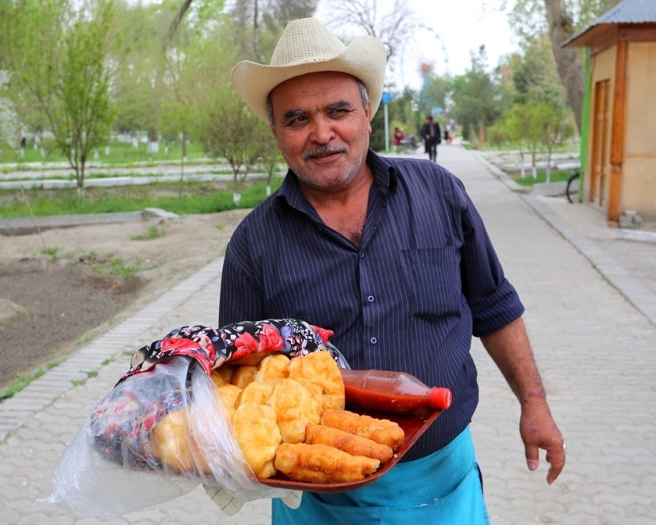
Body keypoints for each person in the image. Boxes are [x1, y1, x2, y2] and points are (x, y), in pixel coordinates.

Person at [224, 17, 565, 524]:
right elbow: (237, 375)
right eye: (297, 119)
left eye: (338, 110)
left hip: (442, 481)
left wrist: (534, 403)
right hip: (319, 493)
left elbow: (493, 304)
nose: (322, 133)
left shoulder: (439, 194)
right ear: (275, 132)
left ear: (367, 111)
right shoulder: (253, 244)